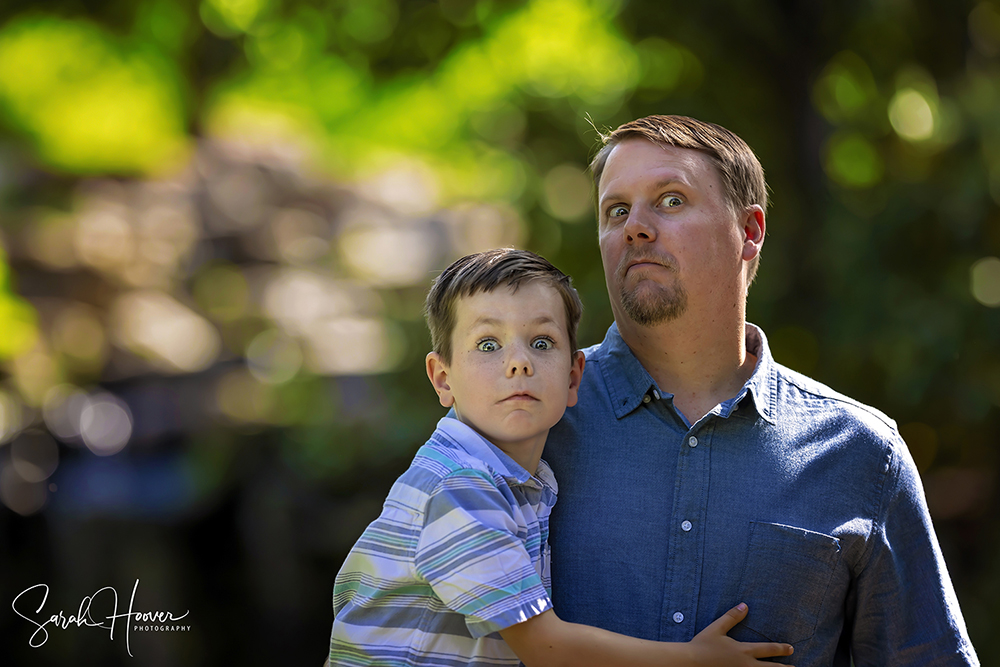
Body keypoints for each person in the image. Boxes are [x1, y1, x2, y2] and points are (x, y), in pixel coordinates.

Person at [542, 115, 980, 666]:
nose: (635, 227)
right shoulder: (530, 422)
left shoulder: (862, 454)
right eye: (616, 210)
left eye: (671, 200)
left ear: (750, 232)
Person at [327, 248, 796, 666]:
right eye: (488, 345)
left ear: (574, 378)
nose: (519, 362)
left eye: (542, 342)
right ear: (443, 378)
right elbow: (546, 648)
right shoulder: (459, 485)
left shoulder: (528, 480)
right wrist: (691, 659)